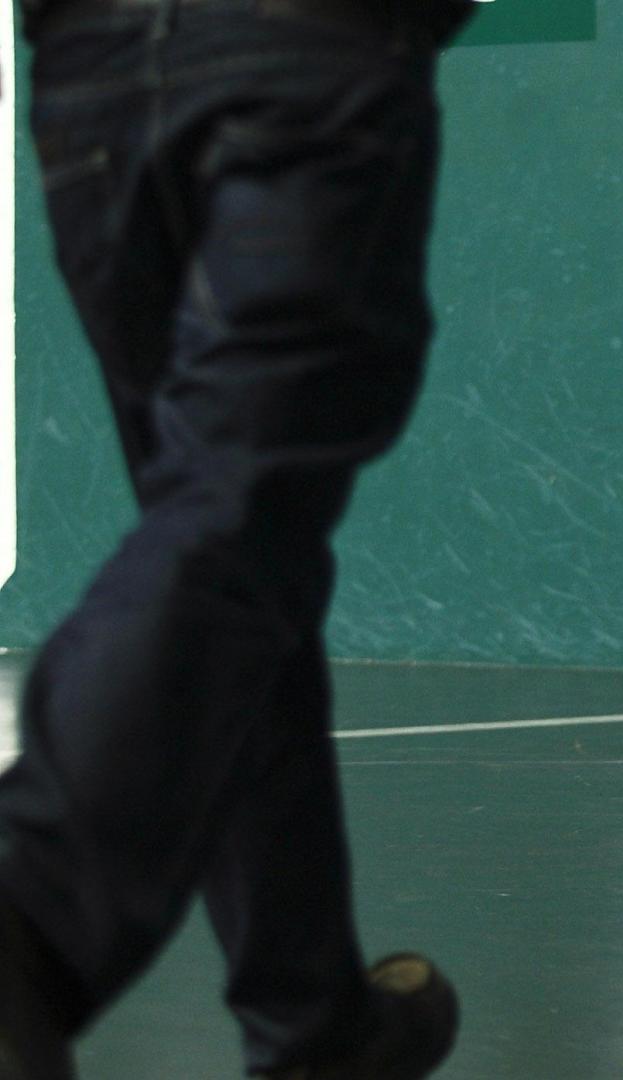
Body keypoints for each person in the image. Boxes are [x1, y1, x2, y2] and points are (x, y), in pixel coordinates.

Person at [0, 1, 473, 1077]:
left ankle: (312, 1025)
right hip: (300, 52)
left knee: (236, 551)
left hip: (90, 80)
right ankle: (33, 914)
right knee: (234, 516)